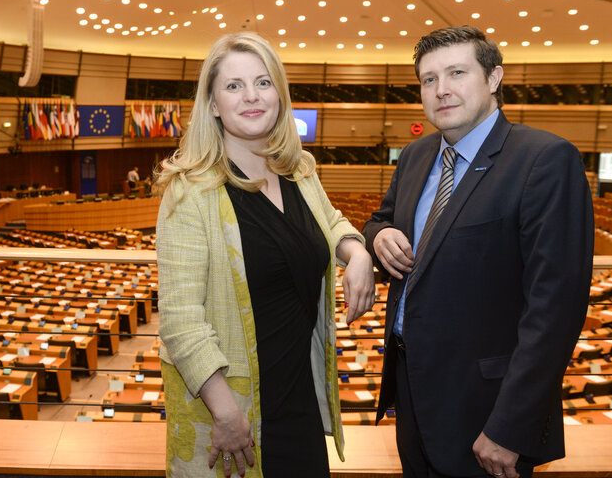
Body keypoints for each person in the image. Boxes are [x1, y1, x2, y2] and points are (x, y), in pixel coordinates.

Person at [362, 26, 594, 478]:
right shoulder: (413, 156)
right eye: (428, 79)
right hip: (412, 399)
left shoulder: (545, 160)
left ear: (494, 78)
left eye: (456, 72)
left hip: (488, 412)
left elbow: (555, 310)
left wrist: (511, 426)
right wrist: (377, 235)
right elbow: (380, 218)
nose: (441, 89)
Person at [155, 32, 375, 478]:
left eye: (263, 82)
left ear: (279, 93)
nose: (251, 96)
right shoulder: (190, 192)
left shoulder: (298, 170)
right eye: (234, 86)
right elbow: (180, 319)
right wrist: (227, 414)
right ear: (213, 104)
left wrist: (358, 254)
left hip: (300, 401)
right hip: (235, 411)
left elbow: (330, 223)